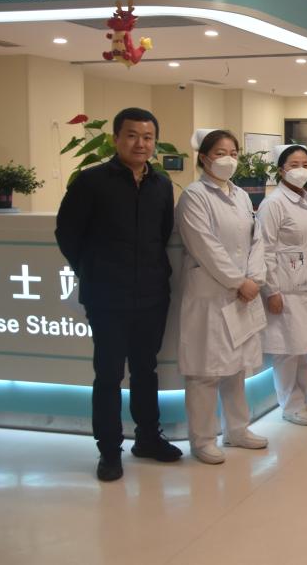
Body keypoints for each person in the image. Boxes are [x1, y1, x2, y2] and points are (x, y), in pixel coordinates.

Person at [55, 107, 182, 482]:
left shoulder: (161, 185)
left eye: (148, 137)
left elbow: (162, 234)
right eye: (132, 135)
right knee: (109, 375)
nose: (140, 143)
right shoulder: (91, 181)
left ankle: (147, 438)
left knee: (145, 370)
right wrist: (93, 270)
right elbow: (67, 234)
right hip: (107, 297)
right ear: (116, 138)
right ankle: (109, 450)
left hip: (152, 294)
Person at [176, 129, 269, 464]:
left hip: (242, 293)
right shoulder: (194, 196)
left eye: (233, 152)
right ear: (204, 158)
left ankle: (237, 430)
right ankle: (202, 440)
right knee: (205, 370)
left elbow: (256, 239)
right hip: (211, 294)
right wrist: (238, 281)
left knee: (236, 367)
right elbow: (205, 246)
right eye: (220, 153)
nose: (228, 159)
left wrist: (254, 278)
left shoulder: (241, 195)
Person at [257, 144, 307, 426]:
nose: (301, 170)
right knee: (287, 351)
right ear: (281, 170)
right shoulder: (274, 204)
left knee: (302, 348)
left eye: (305, 165)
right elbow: (264, 250)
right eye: (294, 165)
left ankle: (303, 399)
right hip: (285, 288)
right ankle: (290, 405)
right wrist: (271, 290)